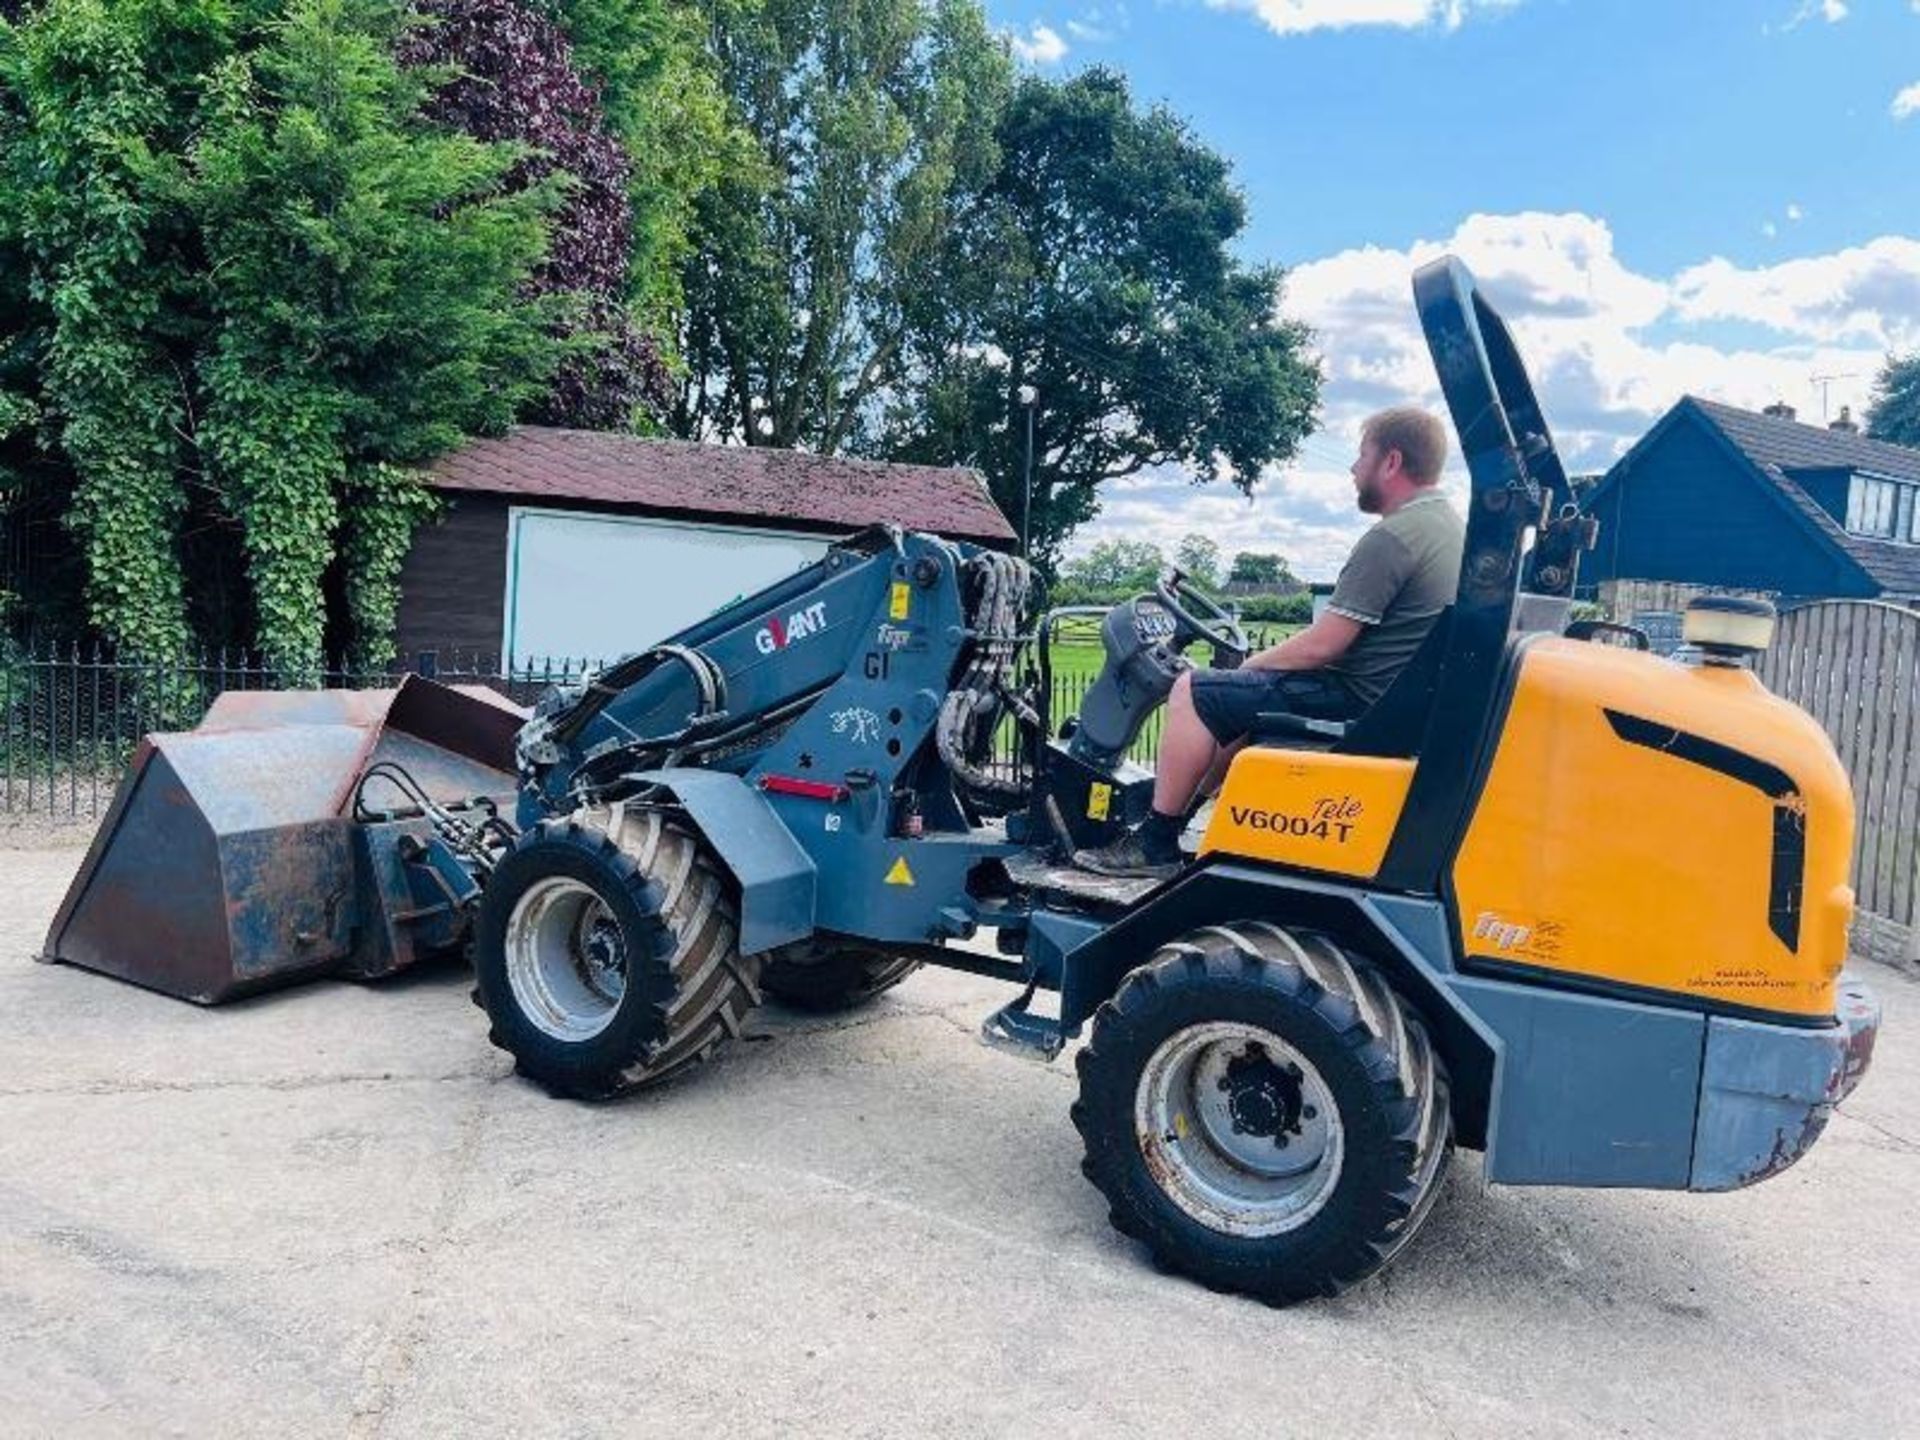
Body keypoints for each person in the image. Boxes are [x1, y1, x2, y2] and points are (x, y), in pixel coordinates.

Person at [1077, 406, 1465, 879]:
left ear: (1391, 462)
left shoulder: (1395, 538)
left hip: (1355, 702)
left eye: (1362, 455)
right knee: (1233, 707)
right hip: (1391, 706)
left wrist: (1253, 665)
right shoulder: (1450, 531)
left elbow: (1326, 643)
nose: (1353, 468)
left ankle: (1155, 840)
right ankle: (1176, 815)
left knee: (1193, 691)